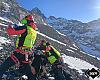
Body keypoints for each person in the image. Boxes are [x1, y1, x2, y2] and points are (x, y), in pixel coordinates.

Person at [0, 15, 37, 80]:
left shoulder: (25, 28)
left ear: (27, 20)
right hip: (27, 54)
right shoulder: (34, 31)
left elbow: (10, 32)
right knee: (28, 71)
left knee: (4, 66)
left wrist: (10, 26)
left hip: (19, 53)